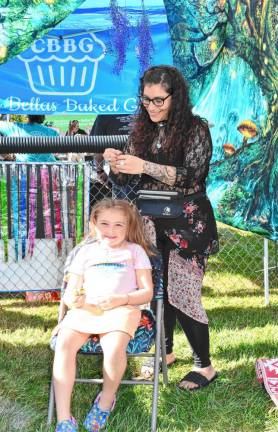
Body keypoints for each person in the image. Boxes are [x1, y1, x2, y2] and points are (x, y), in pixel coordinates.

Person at [103, 65, 219, 391]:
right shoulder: (142, 128)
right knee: (159, 292)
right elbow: (129, 178)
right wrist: (116, 163)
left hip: (189, 223)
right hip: (152, 223)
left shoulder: (196, 128)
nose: (151, 107)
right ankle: (164, 353)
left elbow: (191, 176)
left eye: (158, 101)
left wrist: (144, 165)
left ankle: (204, 366)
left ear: (175, 97)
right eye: (146, 100)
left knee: (183, 292)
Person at [52, 198, 153, 432]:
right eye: (105, 224)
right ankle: (64, 418)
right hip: (88, 308)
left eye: (119, 225)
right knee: (65, 343)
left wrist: (122, 299)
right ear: (94, 224)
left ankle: (106, 401)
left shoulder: (135, 252)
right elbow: (69, 293)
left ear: (129, 227)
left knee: (114, 347)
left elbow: (146, 291)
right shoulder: (85, 253)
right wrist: (74, 300)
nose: (111, 230)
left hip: (122, 309)